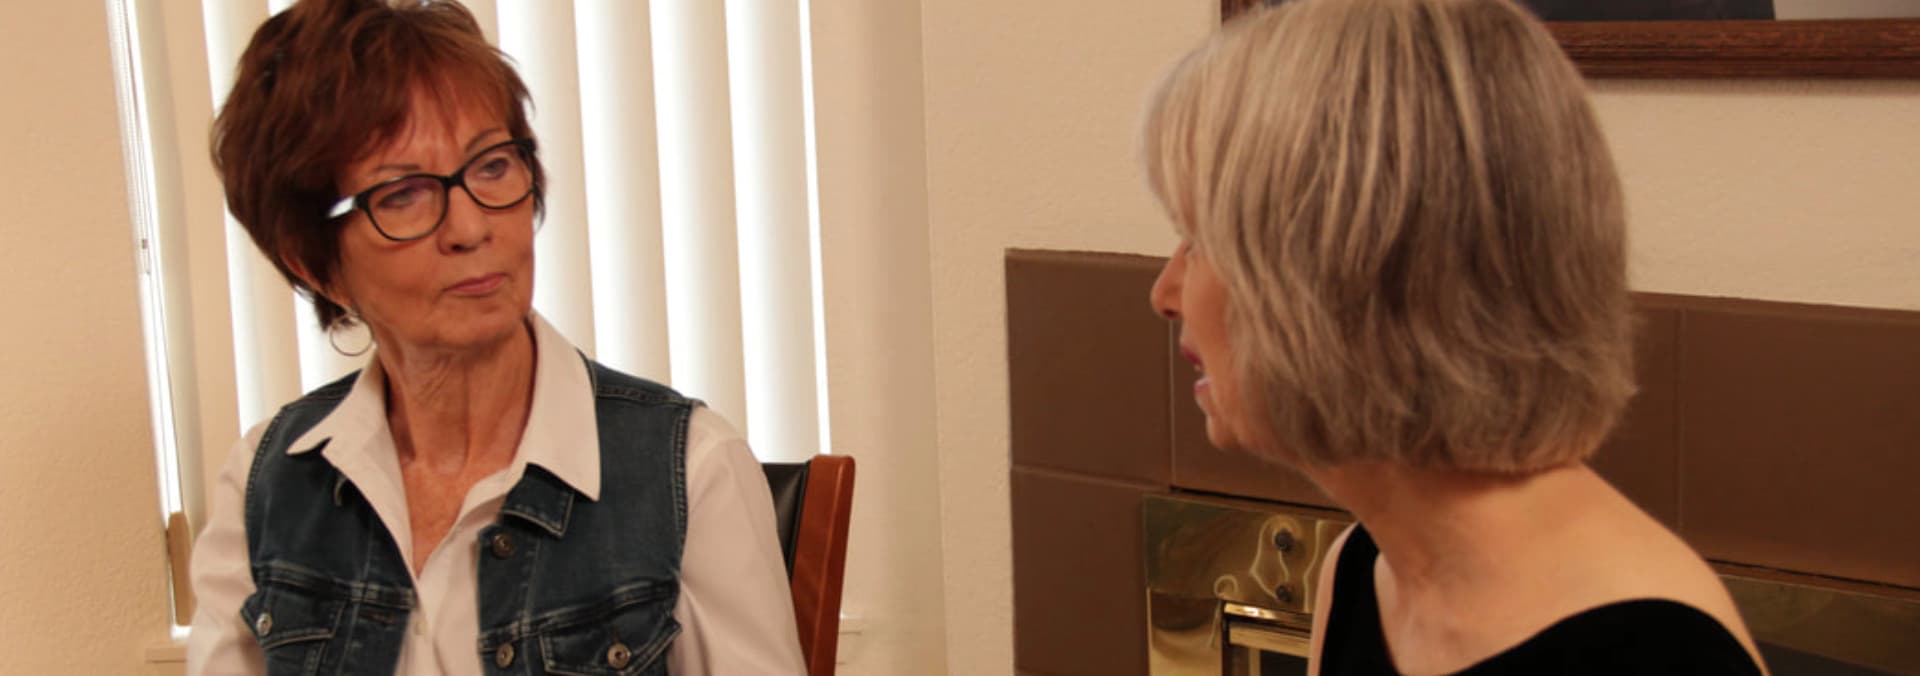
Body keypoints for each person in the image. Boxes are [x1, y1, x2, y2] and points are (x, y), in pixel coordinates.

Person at [1142, 0, 1768, 673]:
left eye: (1200, 241)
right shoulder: (1365, 569)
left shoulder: (1655, 655)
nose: (1165, 294)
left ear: (1342, 272)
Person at [185, 1, 805, 674]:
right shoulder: (265, 485)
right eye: (403, 194)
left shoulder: (694, 468)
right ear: (314, 264)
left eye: (491, 166)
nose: (471, 227)